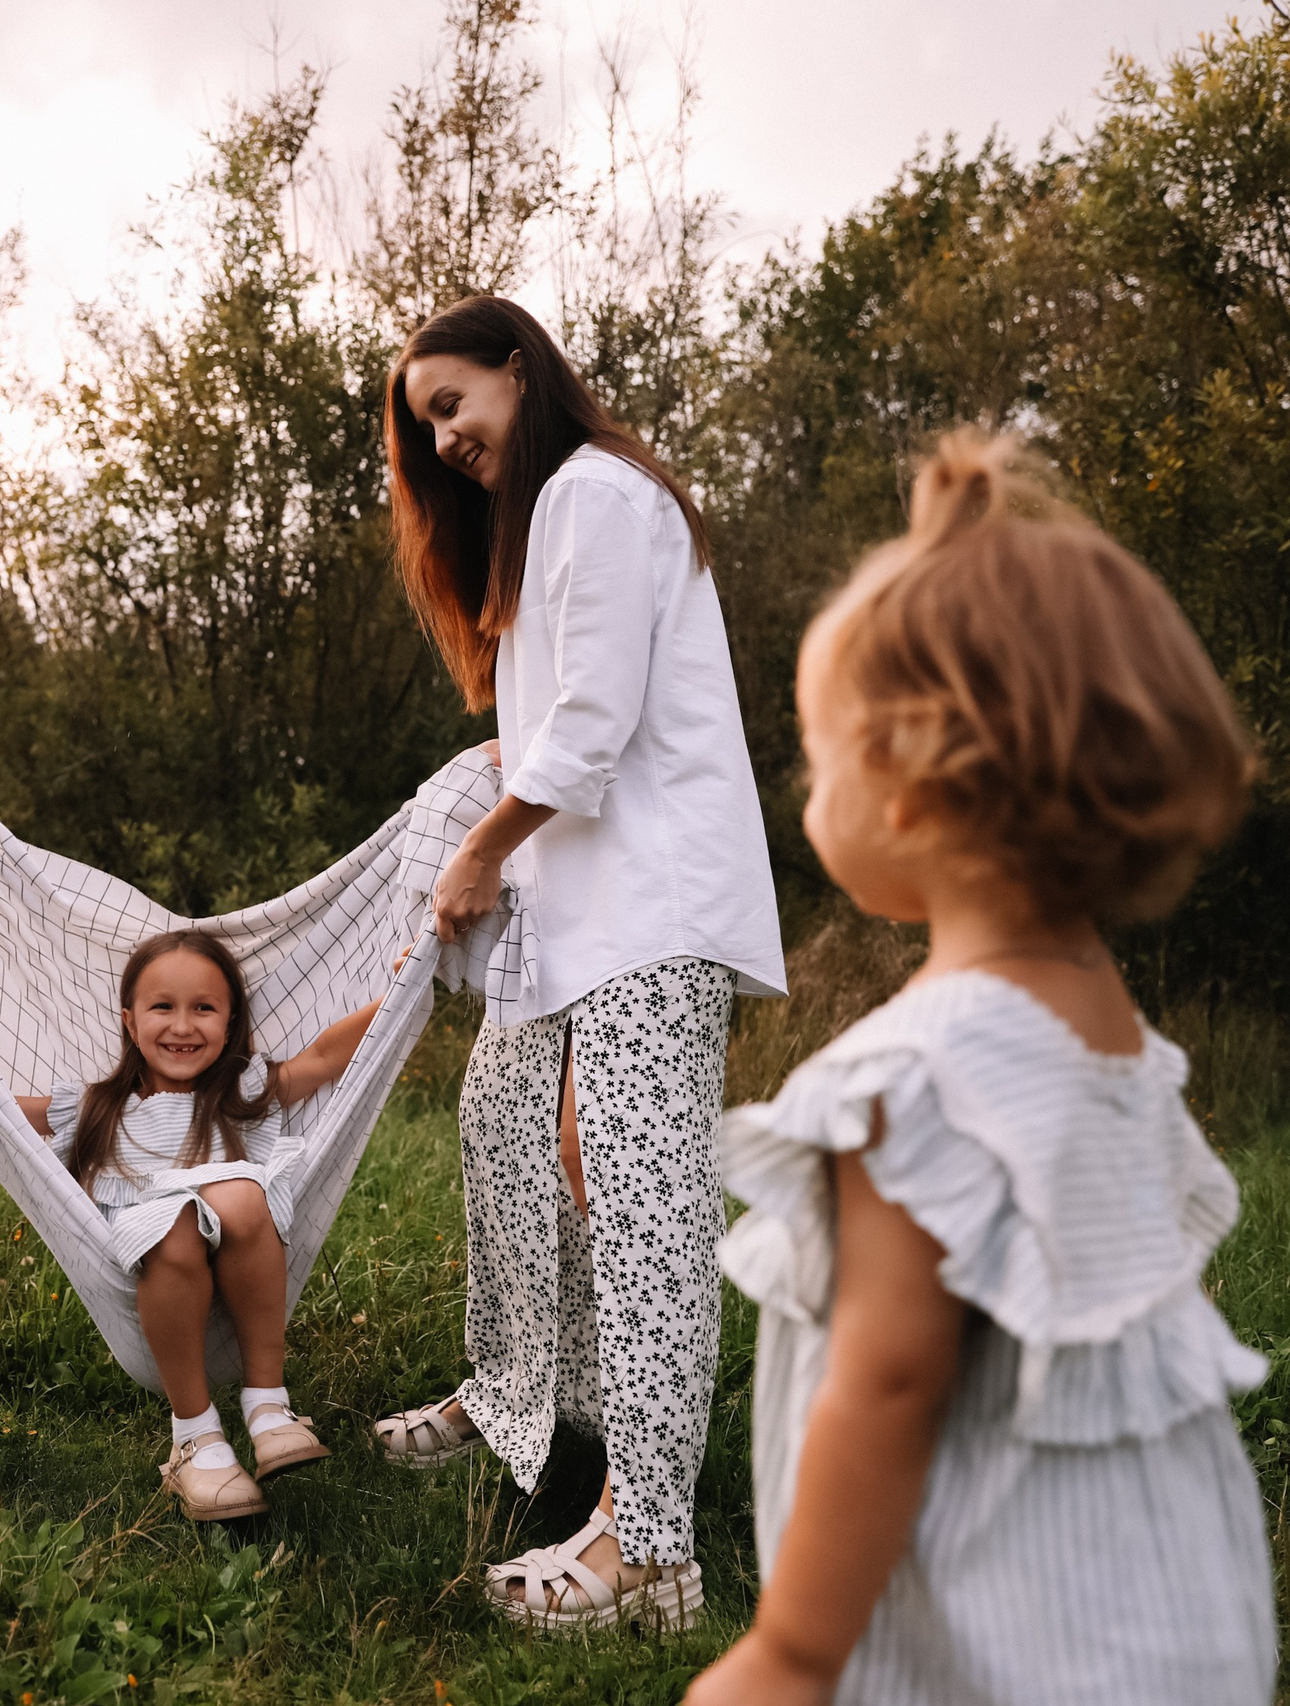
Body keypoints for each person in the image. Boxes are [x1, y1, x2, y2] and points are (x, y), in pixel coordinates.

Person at [686, 432, 1273, 1703]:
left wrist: (789, 1652)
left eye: (813, 750)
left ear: (905, 780)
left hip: (1007, 1632)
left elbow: (888, 1382)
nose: (801, 789)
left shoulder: (917, 1081)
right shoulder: (1110, 1033)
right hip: (1158, 1606)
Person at [371, 296, 784, 1632]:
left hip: (655, 910)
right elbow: (550, 724)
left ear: (516, 368)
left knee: (647, 1212)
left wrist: (480, 851)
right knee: (513, 1128)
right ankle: (533, 1416)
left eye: (452, 407)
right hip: (586, 914)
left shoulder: (598, 496)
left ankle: (650, 1553)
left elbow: (593, 727)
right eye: (423, 429)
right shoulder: (548, 518)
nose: (443, 443)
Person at [14, 930, 384, 1521]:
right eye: (163, 1007)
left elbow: (320, 1059)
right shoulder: (99, 1107)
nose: (183, 1026)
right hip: (157, 1248)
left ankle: (267, 1404)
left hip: (241, 1239)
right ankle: (194, 1436)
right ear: (130, 1024)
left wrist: (402, 987)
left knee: (239, 1193)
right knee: (176, 1225)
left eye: (203, 1009)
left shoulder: (241, 1091)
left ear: (230, 1022)